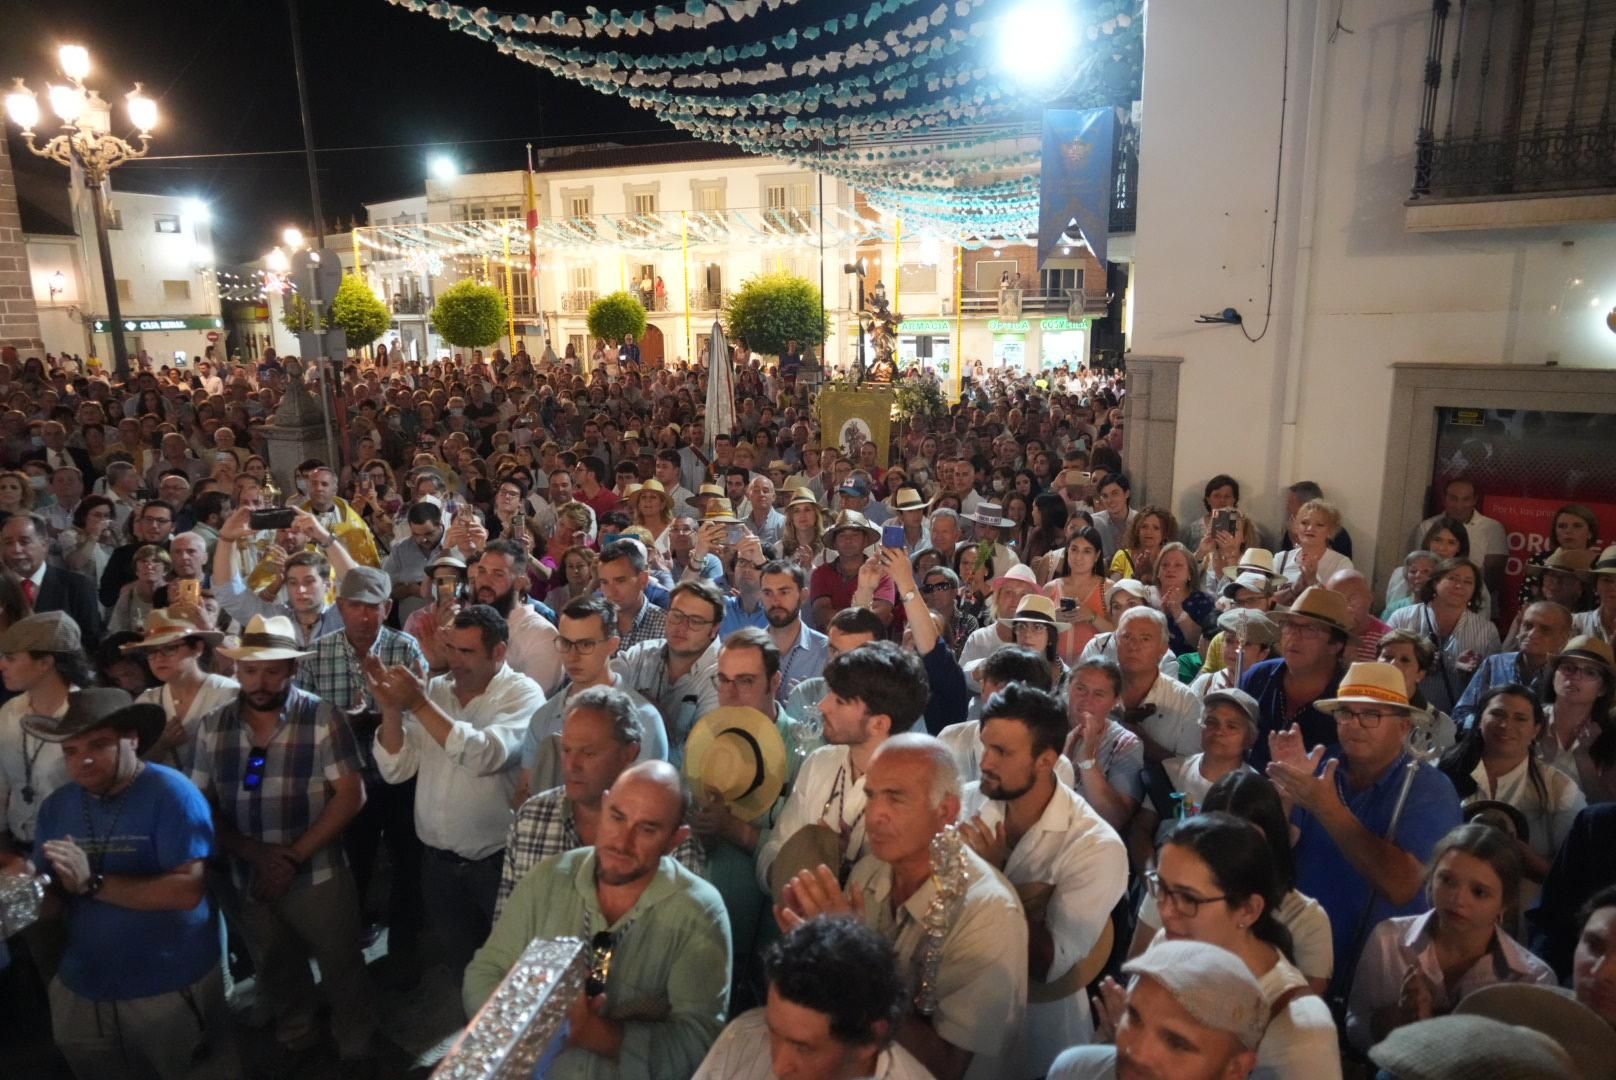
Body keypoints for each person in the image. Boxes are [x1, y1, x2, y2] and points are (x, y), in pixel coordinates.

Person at [11, 688, 240, 1080]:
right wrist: (23, 892)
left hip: (169, 987)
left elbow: (187, 891)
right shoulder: (58, 806)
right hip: (84, 987)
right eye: (70, 750)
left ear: (132, 739)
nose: (82, 761)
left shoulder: (172, 794)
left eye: (98, 745)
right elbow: (51, 904)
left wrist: (93, 882)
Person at [189, 617, 384, 1071]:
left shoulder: (321, 716)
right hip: (250, 873)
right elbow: (199, 804)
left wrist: (293, 856)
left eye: (273, 671)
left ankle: (356, 1040)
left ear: (291, 671)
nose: (261, 682)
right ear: (237, 671)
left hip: (318, 871)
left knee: (342, 963)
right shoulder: (214, 726)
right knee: (275, 963)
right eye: (251, 671)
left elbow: (352, 795)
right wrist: (254, 853)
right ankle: (297, 1032)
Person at [775, 733, 1026, 1080]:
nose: (875, 813)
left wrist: (855, 958)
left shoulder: (988, 912)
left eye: (895, 798)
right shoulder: (869, 871)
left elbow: (947, 1067)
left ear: (947, 810)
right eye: (871, 795)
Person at [465, 761, 732, 1079]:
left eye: (647, 829)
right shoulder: (549, 878)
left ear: (676, 839)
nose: (622, 841)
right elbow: (485, 972)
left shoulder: (699, 914)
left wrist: (596, 1033)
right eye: (617, 817)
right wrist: (529, 1023)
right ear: (604, 806)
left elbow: (699, 1044)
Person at [367, 604, 547, 977]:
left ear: (499, 653)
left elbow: (486, 755)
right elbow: (397, 769)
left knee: (511, 966)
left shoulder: (523, 694)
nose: (456, 661)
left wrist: (417, 703)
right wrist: (390, 709)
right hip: (437, 865)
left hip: (496, 865)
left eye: (467, 652)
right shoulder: (438, 690)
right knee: (462, 966)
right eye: (451, 650)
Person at [959, 683, 1128, 1074]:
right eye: (985, 746)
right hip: (958, 1015)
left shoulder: (1096, 846)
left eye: (1002, 752)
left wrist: (991, 876)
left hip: (1040, 1038)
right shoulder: (967, 801)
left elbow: (1047, 964)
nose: (985, 762)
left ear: (1045, 760)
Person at [1267, 661, 1463, 992]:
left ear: (1403, 726)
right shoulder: (1321, 764)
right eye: (1345, 713)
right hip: (1303, 956)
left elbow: (1402, 886)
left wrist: (1328, 808)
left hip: (1380, 974)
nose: (1355, 725)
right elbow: (1277, 856)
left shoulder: (1428, 787)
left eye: (1371, 715)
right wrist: (1285, 797)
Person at [1101, 813, 1340, 1079]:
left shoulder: (1300, 1028)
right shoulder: (1171, 942)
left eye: (1188, 898)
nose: (1166, 912)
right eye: (1162, 888)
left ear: (1249, 910)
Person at [1346, 822, 1555, 1052]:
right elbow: (1355, 1027)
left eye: (1479, 892)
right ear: (1431, 877)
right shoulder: (1389, 939)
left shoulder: (1532, 978)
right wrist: (1395, 1019)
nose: (1457, 899)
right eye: (1446, 880)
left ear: (1504, 904)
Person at [499, 686, 703, 918]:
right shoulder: (532, 818)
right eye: (566, 750)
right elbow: (507, 921)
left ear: (629, 753)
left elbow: (681, 934)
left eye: (589, 753)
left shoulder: (666, 831)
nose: (571, 765)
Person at [1127, 772, 1335, 993]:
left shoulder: (1306, 921)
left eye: (1247, 840)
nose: (1230, 854)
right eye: (1217, 840)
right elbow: (1137, 977)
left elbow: (1300, 1018)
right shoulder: (1171, 893)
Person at [757, 641, 927, 892]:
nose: (823, 706)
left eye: (839, 700)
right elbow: (773, 849)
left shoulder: (916, 797)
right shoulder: (820, 763)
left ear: (878, 724)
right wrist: (795, 871)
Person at [693, 916, 931, 1080]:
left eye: (803, 1048)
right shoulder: (743, 1036)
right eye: (773, 1033)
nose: (778, 1067)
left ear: (869, 1041)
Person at [1438, 684, 1585, 905]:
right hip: (1445, 899)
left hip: (1521, 913)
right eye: (1497, 714)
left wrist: (1524, 855)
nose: (1506, 725)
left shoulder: (1559, 789)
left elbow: (1573, 874)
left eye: (1520, 718)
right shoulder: (1441, 773)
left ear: (1536, 729)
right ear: (1479, 720)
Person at [1046, 940, 1266, 1080]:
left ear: (1236, 1069)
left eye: (1176, 1043)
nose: (1138, 1053)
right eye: (1133, 1017)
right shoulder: (1076, 1070)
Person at [519, 596, 668, 801]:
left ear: (612, 645)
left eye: (586, 644)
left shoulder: (644, 719)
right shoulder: (543, 717)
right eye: (565, 643)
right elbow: (526, 793)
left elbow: (647, 804)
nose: (573, 655)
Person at [0, 612, 93, 852]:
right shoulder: (10, 712)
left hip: (74, 848)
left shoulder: (89, 713)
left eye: (11, 658)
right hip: (16, 843)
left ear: (45, 663)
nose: (2, 665)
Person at [613, 579, 725, 762]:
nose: (681, 627)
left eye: (695, 621)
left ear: (714, 629)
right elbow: (604, 689)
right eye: (676, 615)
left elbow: (699, 760)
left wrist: (647, 711)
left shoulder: (723, 676)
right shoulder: (641, 654)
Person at [211, 507, 355, 647]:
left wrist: (324, 537)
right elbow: (230, 592)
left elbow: (362, 585)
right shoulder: (275, 621)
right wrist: (226, 539)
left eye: (309, 581)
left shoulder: (339, 619)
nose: (301, 589)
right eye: (293, 582)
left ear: (327, 584)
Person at [1243, 586, 1349, 769]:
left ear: (1336, 645)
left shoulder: (1349, 698)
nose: (1294, 636)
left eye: (1310, 629)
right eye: (1290, 625)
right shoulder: (1257, 676)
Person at [125, 607, 234, 774]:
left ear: (198, 648)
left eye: (169, 648)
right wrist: (161, 744)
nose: (159, 658)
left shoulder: (227, 693)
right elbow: (132, 766)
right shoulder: (147, 702)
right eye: (151, 651)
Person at [1388, 557, 1501, 715]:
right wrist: (1419, 663)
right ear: (1435, 582)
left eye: (1468, 582)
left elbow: (1493, 682)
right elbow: (1383, 664)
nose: (1459, 585)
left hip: (1455, 717)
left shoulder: (1487, 631)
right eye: (1452, 578)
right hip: (1402, 710)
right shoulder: (1403, 617)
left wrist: (1474, 672)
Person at [1452, 600, 1572, 732]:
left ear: (1563, 638)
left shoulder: (1567, 676)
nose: (1532, 634)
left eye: (1545, 630)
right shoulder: (1495, 663)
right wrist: (1491, 725)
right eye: (1527, 625)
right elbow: (1460, 714)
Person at [470, 540, 565, 695]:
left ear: (520, 582)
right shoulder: (468, 624)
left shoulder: (542, 635)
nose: (485, 581)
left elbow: (530, 703)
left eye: (498, 574)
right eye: (481, 571)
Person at [1114, 607, 1203, 762]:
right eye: (1127, 637)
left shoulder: (1185, 702)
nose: (1134, 646)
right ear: (1116, 641)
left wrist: (1142, 741)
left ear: (1163, 648)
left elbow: (1189, 770)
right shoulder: (1093, 687)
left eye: (1145, 638)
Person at [2, 513, 101, 649]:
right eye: (8, 543)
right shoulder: (3, 588)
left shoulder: (77, 586)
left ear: (45, 545)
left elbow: (90, 641)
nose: (16, 549)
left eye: (24, 542)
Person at [1538, 634, 1616, 803]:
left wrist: (1582, 756)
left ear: (1602, 689)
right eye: (1568, 667)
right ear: (1554, 675)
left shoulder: (1610, 735)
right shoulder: (1529, 719)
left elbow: (1605, 807)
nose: (1575, 676)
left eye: (1590, 672)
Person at [1416, 477, 1508, 599]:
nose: (1459, 505)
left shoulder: (1491, 528)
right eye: (1453, 498)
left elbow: (1494, 575)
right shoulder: (1427, 526)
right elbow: (1420, 563)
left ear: (1475, 500)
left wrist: (1470, 596)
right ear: (1445, 498)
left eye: (1466, 499)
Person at [760, 559, 830, 707]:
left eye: (784, 592)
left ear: (803, 596)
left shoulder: (826, 651)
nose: (775, 601)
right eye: (768, 593)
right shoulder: (748, 649)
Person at [810, 510, 891, 629]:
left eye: (855, 535)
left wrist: (839, 615)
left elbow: (881, 615)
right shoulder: (821, 573)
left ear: (865, 541)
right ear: (835, 542)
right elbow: (821, 614)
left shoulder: (882, 573)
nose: (848, 540)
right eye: (842, 535)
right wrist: (864, 614)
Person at [1271, 498, 1353, 605]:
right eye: (1304, 523)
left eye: (1319, 525)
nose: (1310, 528)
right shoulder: (1280, 559)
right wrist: (1293, 590)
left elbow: (1339, 606)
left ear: (1330, 531)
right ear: (1296, 527)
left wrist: (1313, 581)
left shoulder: (1341, 563)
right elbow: (1266, 601)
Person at [1325, 568, 1390, 663]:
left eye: (1351, 599)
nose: (1346, 608)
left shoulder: (1386, 640)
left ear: (1370, 597)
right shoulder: (1319, 632)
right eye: (1336, 600)